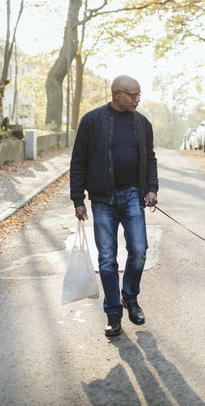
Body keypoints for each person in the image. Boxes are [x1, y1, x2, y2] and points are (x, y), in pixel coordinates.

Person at [70, 75, 159, 337]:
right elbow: (78, 161)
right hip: (102, 199)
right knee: (107, 258)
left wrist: (152, 188)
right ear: (116, 94)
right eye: (133, 95)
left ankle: (130, 298)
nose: (137, 100)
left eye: (139, 95)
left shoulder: (142, 123)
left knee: (140, 250)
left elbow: (150, 158)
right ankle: (113, 313)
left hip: (133, 195)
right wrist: (78, 199)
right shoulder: (91, 120)